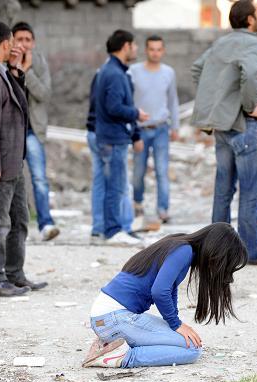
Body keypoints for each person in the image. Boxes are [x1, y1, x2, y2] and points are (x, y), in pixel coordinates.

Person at [82, 222, 248, 368]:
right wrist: (175, 324)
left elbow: (170, 288)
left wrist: (176, 322)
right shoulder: (184, 251)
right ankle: (120, 357)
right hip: (115, 319)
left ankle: (110, 345)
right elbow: (160, 291)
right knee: (191, 349)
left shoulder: (179, 244)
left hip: (108, 319)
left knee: (187, 343)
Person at [191, 0, 257, 266]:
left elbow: (197, 69)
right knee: (250, 193)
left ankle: (215, 253)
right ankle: (250, 251)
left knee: (223, 191)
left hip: (223, 128)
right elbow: (252, 75)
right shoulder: (253, 43)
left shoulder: (222, 43)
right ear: (250, 20)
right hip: (244, 126)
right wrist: (248, 105)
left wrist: (221, 101)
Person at [0, 21, 47, 297]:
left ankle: (15, 274)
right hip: (1, 164)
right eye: (12, 41)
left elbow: (20, 104)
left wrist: (17, 70)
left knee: (20, 219)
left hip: (13, 161)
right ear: (6, 42)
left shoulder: (1, 71)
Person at [95, 29, 149, 245]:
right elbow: (114, 106)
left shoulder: (114, 71)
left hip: (114, 136)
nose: (136, 49)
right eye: (134, 45)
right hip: (113, 138)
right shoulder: (114, 74)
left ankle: (118, 228)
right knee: (115, 187)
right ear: (125, 46)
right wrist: (137, 113)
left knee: (116, 185)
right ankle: (112, 230)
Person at [12, 22, 59, 242]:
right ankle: (12, 227)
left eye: (27, 40)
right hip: (10, 131)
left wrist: (27, 71)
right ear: (11, 41)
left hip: (32, 131)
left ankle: (46, 224)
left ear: (33, 42)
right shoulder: (4, 61)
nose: (23, 44)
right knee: (10, 180)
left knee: (39, 178)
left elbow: (44, 94)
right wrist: (15, 69)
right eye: (19, 39)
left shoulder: (38, 62)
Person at [129, 35, 180, 223]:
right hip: (140, 129)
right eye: (152, 49)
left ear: (163, 51)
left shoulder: (169, 72)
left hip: (161, 129)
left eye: (159, 49)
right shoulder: (134, 71)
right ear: (146, 50)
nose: (155, 53)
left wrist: (175, 127)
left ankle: (163, 209)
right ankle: (138, 203)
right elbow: (128, 100)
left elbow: (173, 100)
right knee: (138, 171)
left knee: (161, 170)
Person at [87, 71, 133, 242]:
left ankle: (98, 229)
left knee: (99, 183)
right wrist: (135, 115)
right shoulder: (118, 77)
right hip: (108, 136)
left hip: (93, 132)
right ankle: (117, 228)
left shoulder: (99, 74)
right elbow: (115, 108)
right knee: (117, 184)